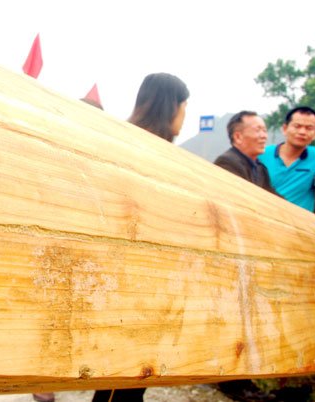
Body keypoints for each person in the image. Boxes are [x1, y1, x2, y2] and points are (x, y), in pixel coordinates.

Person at [93, 72, 189, 402]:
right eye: (184, 107)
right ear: (172, 106)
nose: (185, 115)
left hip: (143, 275)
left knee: (128, 378)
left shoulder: (123, 141)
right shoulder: (148, 152)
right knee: (124, 378)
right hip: (135, 276)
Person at [258, 106, 315, 212]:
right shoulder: (261, 154)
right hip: (263, 215)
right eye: (297, 126)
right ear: (285, 129)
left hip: (301, 220)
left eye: (309, 128)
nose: (302, 132)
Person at [214, 111, 278, 194]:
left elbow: (272, 196)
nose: (264, 136)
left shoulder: (261, 169)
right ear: (238, 137)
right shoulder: (227, 163)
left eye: (264, 130)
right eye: (257, 130)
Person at [128, 72, 189, 142]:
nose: (185, 114)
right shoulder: (146, 144)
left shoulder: (124, 137)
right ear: (170, 108)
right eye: (184, 105)